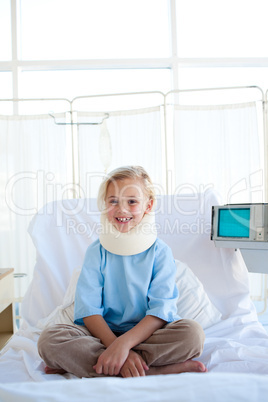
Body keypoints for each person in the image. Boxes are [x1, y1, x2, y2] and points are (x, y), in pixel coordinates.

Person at [38, 165, 207, 378]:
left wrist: (124, 345)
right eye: (113, 201)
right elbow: (89, 310)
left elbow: (161, 310)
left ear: (149, 205)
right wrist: (117, 347)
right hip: (100, 335)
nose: (122, 209)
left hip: (148, 334)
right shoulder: (96, 251)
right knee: (49, 340)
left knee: (193, 335)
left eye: (132, 201)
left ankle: (100, 364)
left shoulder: (160, 252)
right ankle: (152, 369)